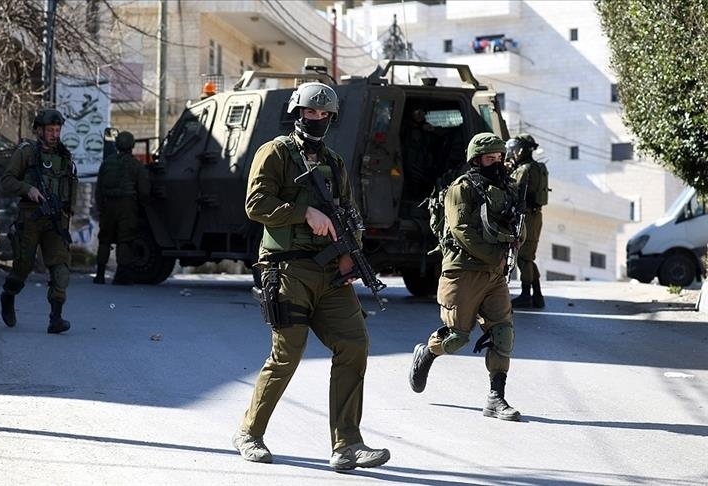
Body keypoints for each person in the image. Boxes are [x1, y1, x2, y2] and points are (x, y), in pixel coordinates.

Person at [232, 82, 390, 471]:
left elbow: (348, 213)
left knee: (354, 343)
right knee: (287, 353)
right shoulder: (275, 153)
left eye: (323, 114)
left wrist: (351, 255)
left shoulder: (334, 162)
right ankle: (250, 432)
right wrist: (304, 212)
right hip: (287, 268)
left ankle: (347, 444)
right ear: (297, 113)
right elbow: (256, 203)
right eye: (309, 112)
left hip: (330, 272)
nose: (316, 118)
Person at [408, 132, 523, 422]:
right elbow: (462, 230)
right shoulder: (461, 188)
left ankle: (496, 398)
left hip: (494, 274)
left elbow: (519, 223)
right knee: (456, 337)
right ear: (476, 160)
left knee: (503, 333)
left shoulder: (507, 188)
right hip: (463, 271)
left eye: (499, 157)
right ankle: (428, 353)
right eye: (489, 158)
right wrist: (495, 255)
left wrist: (516, 239)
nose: (496, 163)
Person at [0, 108, 78, 334]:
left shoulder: (64, 156)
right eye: (50, 130)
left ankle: (56, 318)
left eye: (57, 130)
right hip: (30, 218)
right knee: (23, 267)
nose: (54, 134)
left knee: (61, 268)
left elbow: (71, 187)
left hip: (55, 220)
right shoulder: (27, 152)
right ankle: (8, 295)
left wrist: (67, 215)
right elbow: (6, 181)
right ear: (39, 131)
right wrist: (28, 189)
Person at [93, 131, 150, 285]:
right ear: (132, 145)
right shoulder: (136, 165)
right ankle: (121, 275)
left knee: (104, 239)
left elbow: (99, 189)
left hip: (108, 205)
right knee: (125, 239)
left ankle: (100, 274)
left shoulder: (107, 163)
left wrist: (101, 208)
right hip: (127, 206)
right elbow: (144, 191)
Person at [507, 133, 546, 308]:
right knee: (529, 257)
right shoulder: (537, 167)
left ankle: (526, 295)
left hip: (527, 217)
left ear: (522, 150)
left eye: (514, 150)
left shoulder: (524, 170)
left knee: (524, 257)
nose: (513, 153)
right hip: (535, 216)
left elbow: (513, 191)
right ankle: (537, 295)